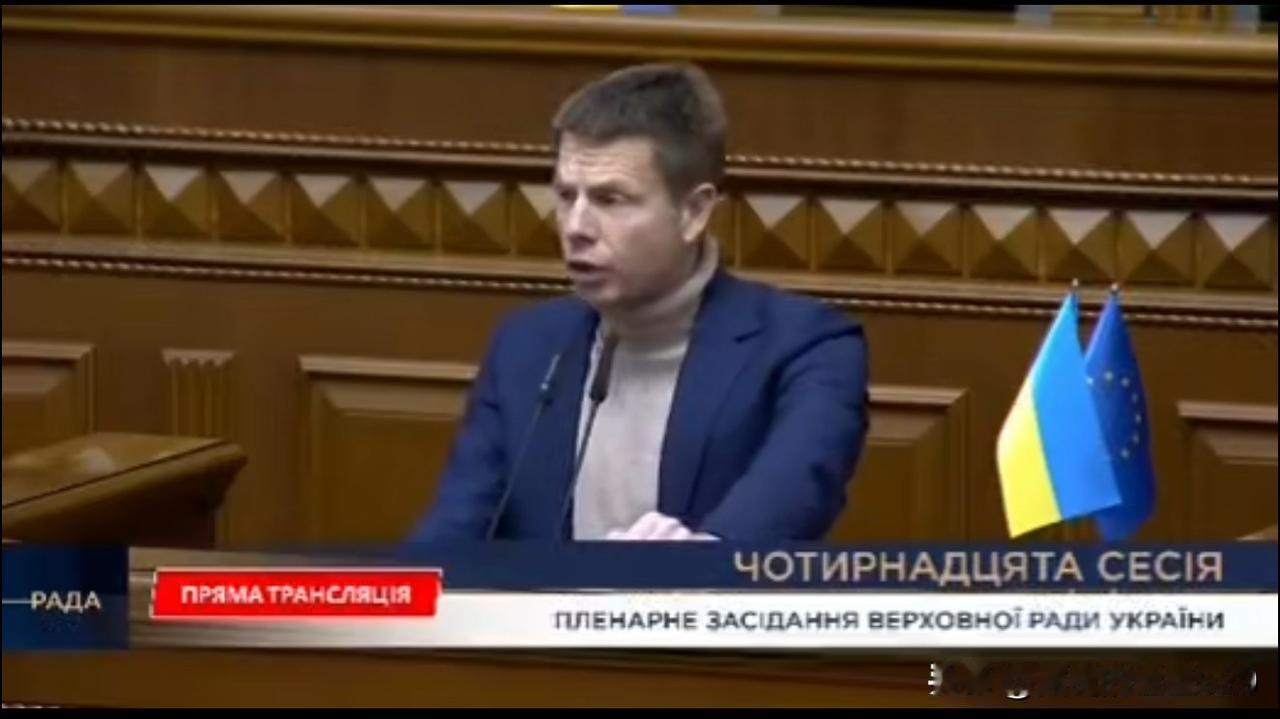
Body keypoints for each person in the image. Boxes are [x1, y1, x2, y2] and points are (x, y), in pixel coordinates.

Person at [408, 62, 869, 543]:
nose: (576, 227)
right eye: (566, 196)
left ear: (693, 212)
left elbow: (788, 498)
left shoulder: (806, 349)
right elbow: (451, 536)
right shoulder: (527, 345)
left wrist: (697, 565)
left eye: (610, 200)